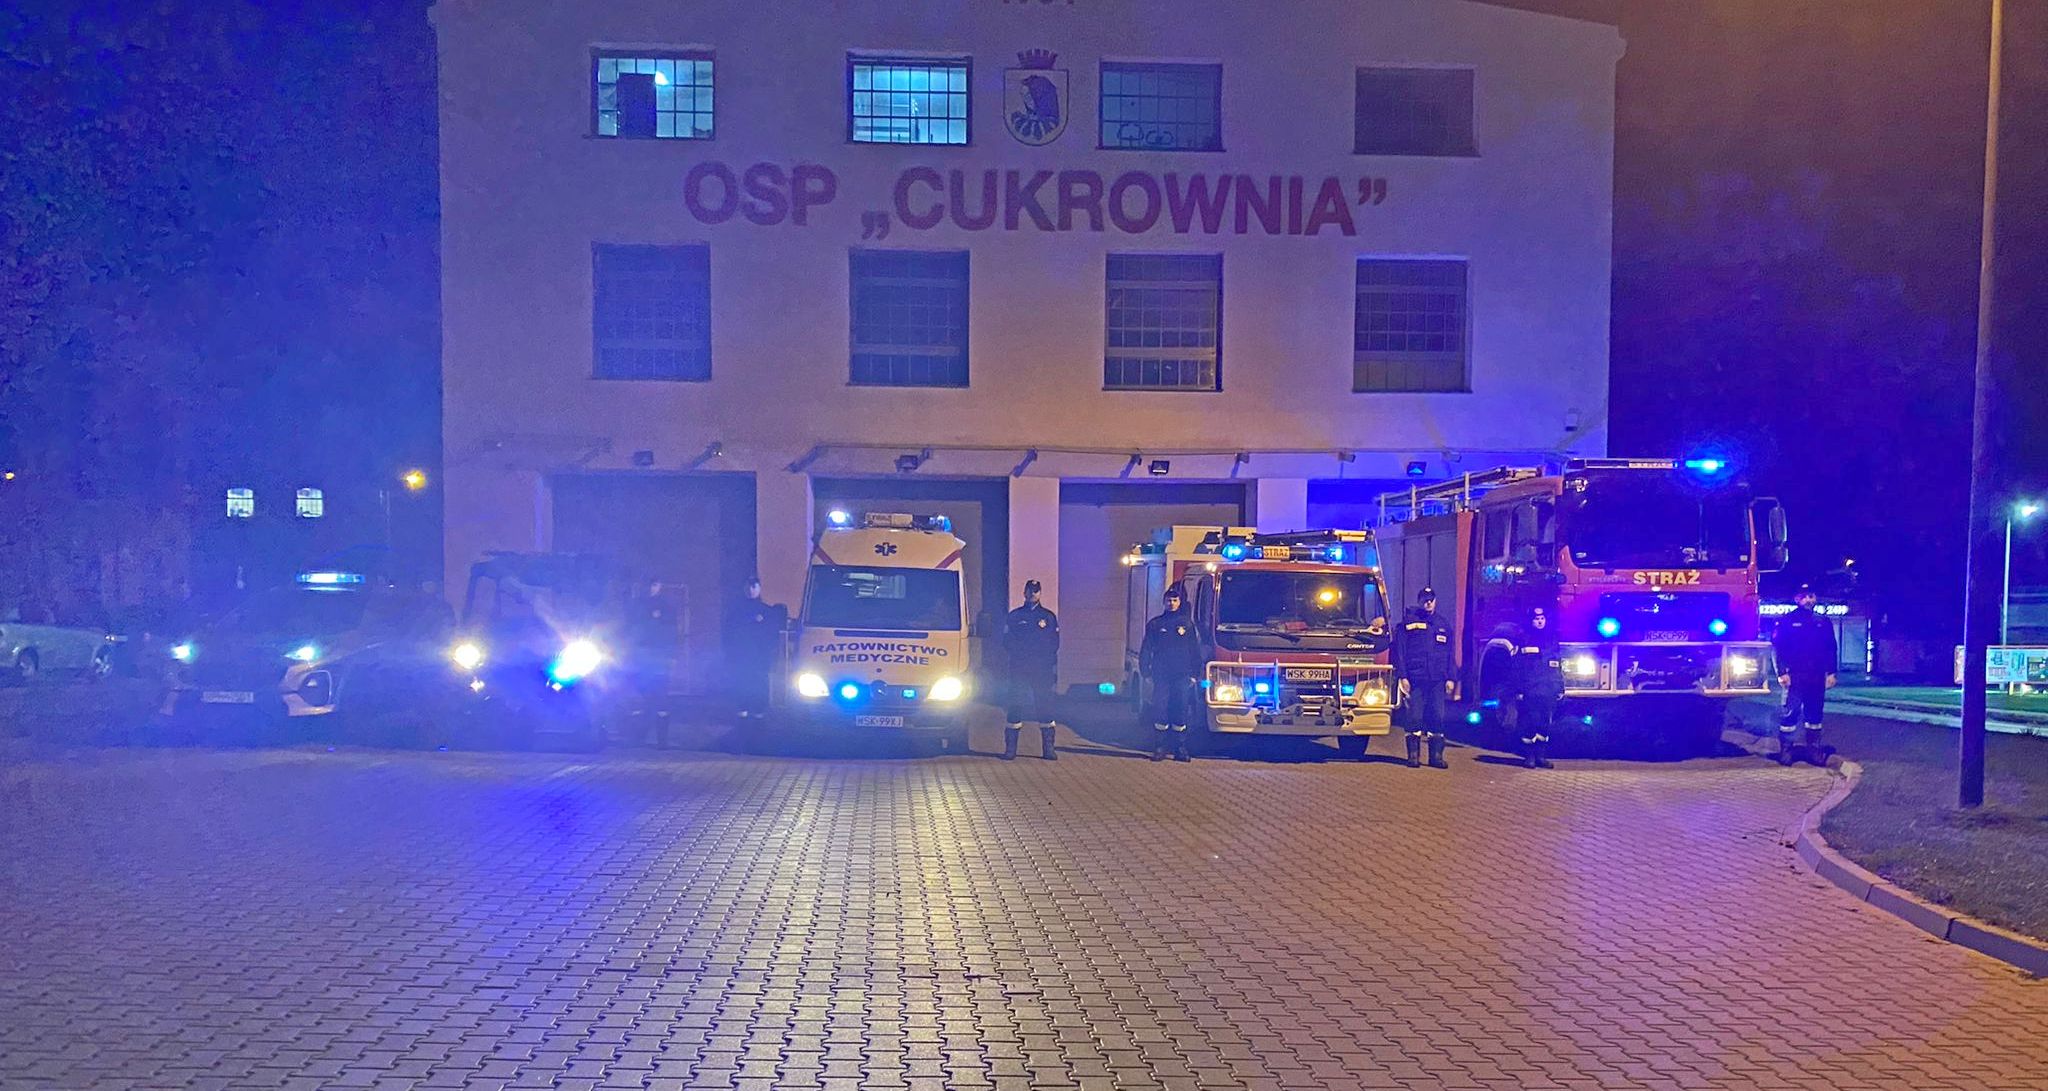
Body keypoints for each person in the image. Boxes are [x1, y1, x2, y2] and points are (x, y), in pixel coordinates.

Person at [1771, 584, 1838, 766]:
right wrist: (1782, 672)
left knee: (1815, 714)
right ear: (1797, 599)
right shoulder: (1787, 621)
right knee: (1790, 713)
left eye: (1811, 596)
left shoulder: (1823, 621)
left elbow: (1830, 648)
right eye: (1804, 596)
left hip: (1817, 674)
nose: (1808, 600)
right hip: (1795, 675)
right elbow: (1778, 649)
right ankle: (1786, 750)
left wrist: (1832, 673)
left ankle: (1813, 749)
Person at [1139, 584, 1203, 762]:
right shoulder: (1155, 624)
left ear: (1179, 602)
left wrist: (1195, 674)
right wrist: (1146, 672)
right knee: (1160, 710)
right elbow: (1146, 648)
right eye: (1169, 600)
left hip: (1182, 676)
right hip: (1162, 676)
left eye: (1175, 600)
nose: (1172, 603)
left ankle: (1180, 748)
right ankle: (1160, 747)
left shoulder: (1187, 625)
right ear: (1164, 602)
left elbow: (1194, 650)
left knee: (1180, 710)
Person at [1394, 586, 1455, 769]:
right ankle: (1413, 756)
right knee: (1415, 717)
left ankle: (1436, 757)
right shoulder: (1409, 623)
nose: (1428, 603)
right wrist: (1403, 676)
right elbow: (1400, 651)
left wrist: (1451, 678)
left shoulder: (1443, 625)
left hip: (1437, 679)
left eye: (1431, 600)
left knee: (1437, 716)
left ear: (1435, 601)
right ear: (1419, 601)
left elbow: (1450, 654)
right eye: (1425, 600)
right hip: (1416, 678)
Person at [1001, 579, 1061, 761]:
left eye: (1035, 591)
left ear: (1040, 593)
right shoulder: (1015, 616)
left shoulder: (1048, 617)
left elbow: (1054, 643)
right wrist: (1021, 655)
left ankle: (1048, 749)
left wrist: (1045, 661)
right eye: (1029, 590)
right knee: (1015, 706)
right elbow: (1007, 641)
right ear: (1024, 593)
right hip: (1019, 669)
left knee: (1045, 707)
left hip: (1041, 670)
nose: (1032, 594)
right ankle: (1010, 749)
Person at [623, 580, 679, 746]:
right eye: (650, 584)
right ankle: (638, 737)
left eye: (655, 585)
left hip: (659, 658)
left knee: (661, 698)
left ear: (660, 586)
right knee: (641, 697)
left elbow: (671, 634)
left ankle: (662, 740)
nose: (652, 588)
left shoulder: (666, 608)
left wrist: (671, 656)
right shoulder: (637, 606)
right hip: (641, 658)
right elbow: (630, 631)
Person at [725, 576, 788, 721]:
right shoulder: (735, 611)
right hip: (742, 654)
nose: (750, 590)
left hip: (760, 655)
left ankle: (759, 709)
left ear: (759, 588)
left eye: (754, 586)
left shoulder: (766, 611)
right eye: (748, 586)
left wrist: (770, 651)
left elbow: (772, 634)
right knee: (742, 680)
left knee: (760, 681)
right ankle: (743, 707)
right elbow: (729, 633)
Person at [1510, 605, 1563, 769]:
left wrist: (1560, 687)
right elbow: (1517, 667)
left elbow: (1557, 665)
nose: (1540, 622)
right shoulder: (1523, 639)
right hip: (1530, 689)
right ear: (1531, 621)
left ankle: (1541, 756)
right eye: (1536, 619)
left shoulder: (1552, 639)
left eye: (1542, 619)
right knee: (1529, 722)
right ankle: (1529, 756)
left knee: (1544, 723)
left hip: (1547, 689)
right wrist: (1519, 689)